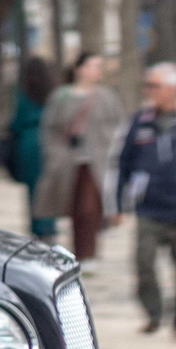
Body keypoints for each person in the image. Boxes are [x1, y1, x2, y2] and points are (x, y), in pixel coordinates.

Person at [116, 63, 176, 337]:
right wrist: (118, 204)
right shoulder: (139, 122)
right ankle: (153, 315)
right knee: (144, 266)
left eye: (155, 85)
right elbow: (121, 164)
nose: (148, 91)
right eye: (147, 85)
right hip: (149, 209)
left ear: (173, 89)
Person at [37, 52, 127, 260]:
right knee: (74, 208)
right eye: (93, 66)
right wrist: (53, 153)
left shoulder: (107, 96)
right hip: (67, 161)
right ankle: (80, 252)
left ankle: (88, 253)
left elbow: (118, 126)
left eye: (99, 66)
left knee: (90, 207)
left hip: (97, 160)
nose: (98, 71)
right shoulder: (61, 96)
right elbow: (49, 128)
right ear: (79, 69)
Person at [9, 56, 56, 241]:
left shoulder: (23, 94)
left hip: (28, 142)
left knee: (32, 188)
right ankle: (49, 225)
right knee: (47, 185)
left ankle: (36, 225)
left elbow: (17, 122)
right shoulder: (51, 93)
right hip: (47, 140)